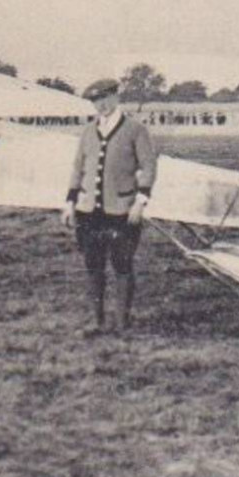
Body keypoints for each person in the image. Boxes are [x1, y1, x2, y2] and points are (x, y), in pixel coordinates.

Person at [60, 78, 158, 335]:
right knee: (93, 264)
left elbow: (149, 166)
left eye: (105, 98)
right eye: (95, 101)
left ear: (116, 98)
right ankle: (97, 321)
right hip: (89, 211)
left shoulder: (135, 129)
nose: (101, 105)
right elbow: (77, 168)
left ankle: (122, 323)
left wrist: (140, 201)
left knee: (122, 264)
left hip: (122, 211)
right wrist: (70, 202)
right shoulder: (88, 131)